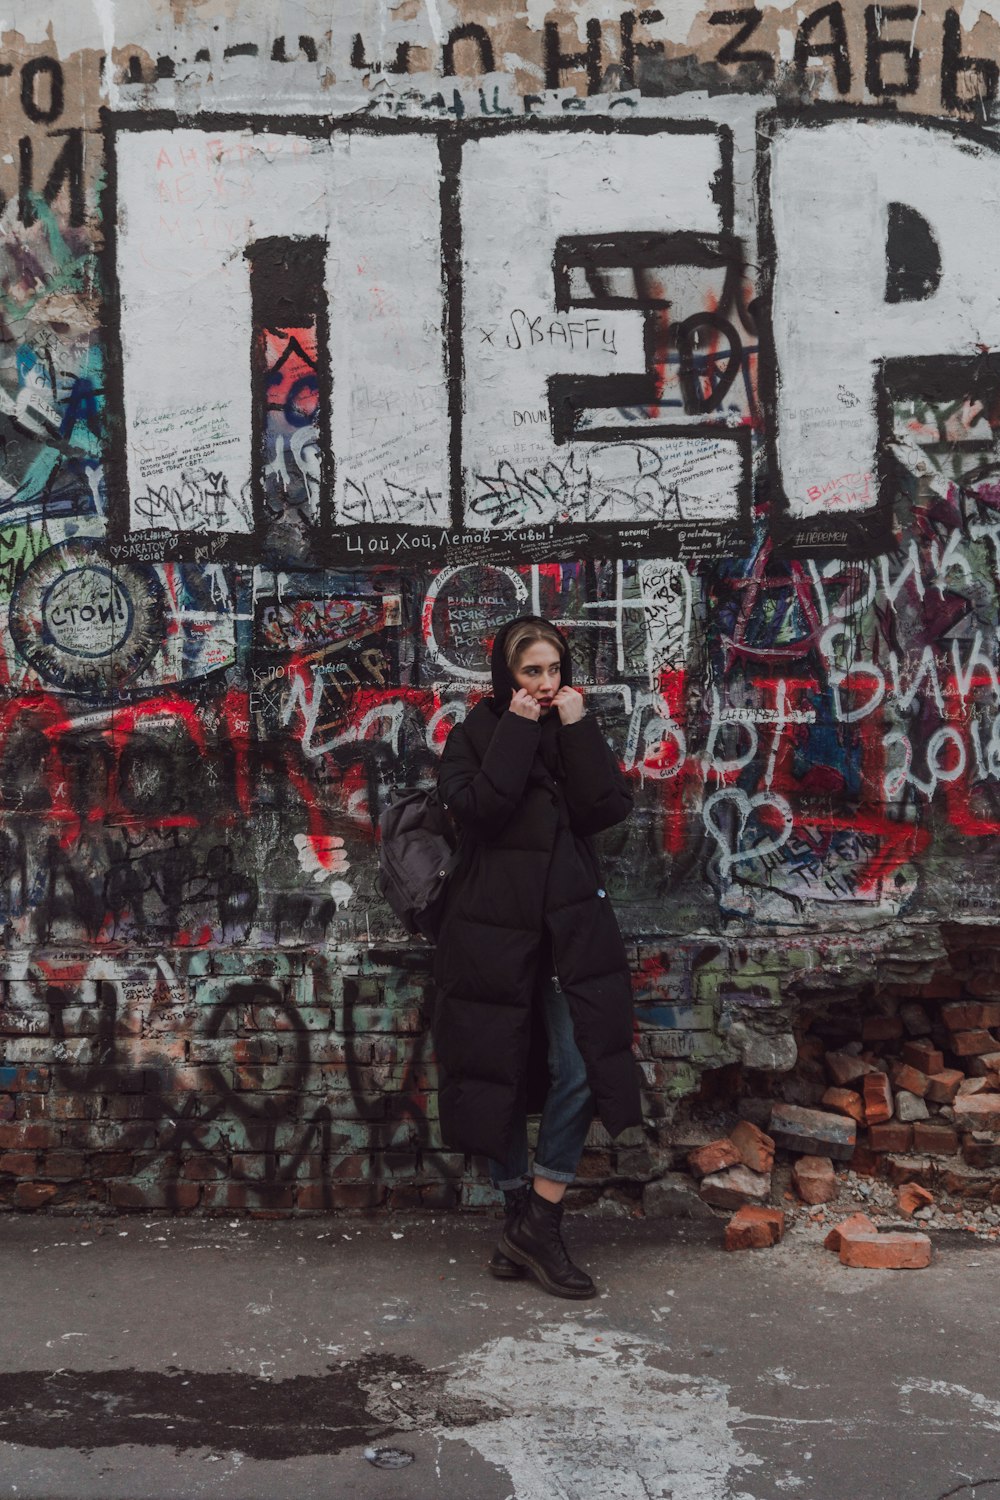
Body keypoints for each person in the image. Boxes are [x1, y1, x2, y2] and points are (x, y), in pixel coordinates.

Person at [432, 615, 641, 1299]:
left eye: (554, 670)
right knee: (498, 1073)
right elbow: (481, 812)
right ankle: (520, 1219)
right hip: (491, 932)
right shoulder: (473, 736)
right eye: (532, 672)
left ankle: (541, 1214)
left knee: (580, 1065)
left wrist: (578, 728)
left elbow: (605, 809)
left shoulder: (572, 725)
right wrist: (519, 728)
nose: (546, 684)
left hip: (568, 933)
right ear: (505, 674)